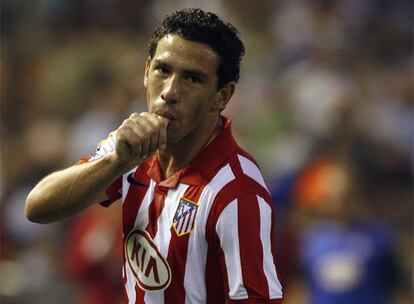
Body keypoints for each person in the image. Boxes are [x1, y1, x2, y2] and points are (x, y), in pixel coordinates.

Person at [25, 8, 283, 304]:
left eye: (192, 79)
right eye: (163, 70)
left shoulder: (236, 191)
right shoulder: (128, 151)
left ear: (222, 96)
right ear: (146, 71)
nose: (170, 91)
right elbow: (38, 207)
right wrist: (116, 162)